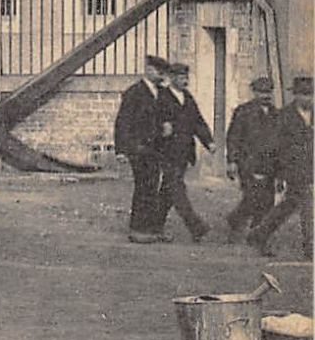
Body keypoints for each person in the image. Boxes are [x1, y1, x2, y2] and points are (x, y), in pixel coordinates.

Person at [249, 76, 313, 260]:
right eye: (304, 94)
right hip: (292, 169)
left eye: (311, 94)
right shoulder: (285, 116)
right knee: (307, 207)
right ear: (296, 96)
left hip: (310, 167)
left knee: (289, 205)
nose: (309, 99)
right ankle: (310, 247)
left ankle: (260, 233)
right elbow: (274, 146)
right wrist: (278, 173)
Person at [113, 56, 171, 243]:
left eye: (163, 71)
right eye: (157, 70)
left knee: (153, 186)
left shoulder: (162, 93)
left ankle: (152, 228)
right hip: (138, 148)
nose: (160, 74)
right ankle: (137, 228)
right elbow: (123, 122)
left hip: (157, 148)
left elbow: (167, 115)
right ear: (148, 69)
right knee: (143, 186)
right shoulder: (134, 92)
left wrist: (167, 124)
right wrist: (121, 150)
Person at [154, 61, 213, 243]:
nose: (184, 80)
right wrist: (161, 127)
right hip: (166, 151)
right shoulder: (161, 97)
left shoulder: (187, 98)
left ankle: (154, 226)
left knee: (167, 191)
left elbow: (198, 122)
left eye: (186, 77)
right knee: (177, 188)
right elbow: (151, 119)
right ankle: (196, 226)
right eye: (180, 77)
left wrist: (208, 141)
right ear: (172, 78)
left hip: (184, 152)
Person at [224, 76, 280, 242]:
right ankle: (237, 220)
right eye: (262, 92)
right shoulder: (243, 112)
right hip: (247, 162)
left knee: (268, 200)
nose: (265, 96)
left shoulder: (276, 114)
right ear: (254, 93)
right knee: (253, 196)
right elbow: (233, 137)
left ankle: (256, 233)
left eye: (268, 92)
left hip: (269, 164)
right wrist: (232, 161)